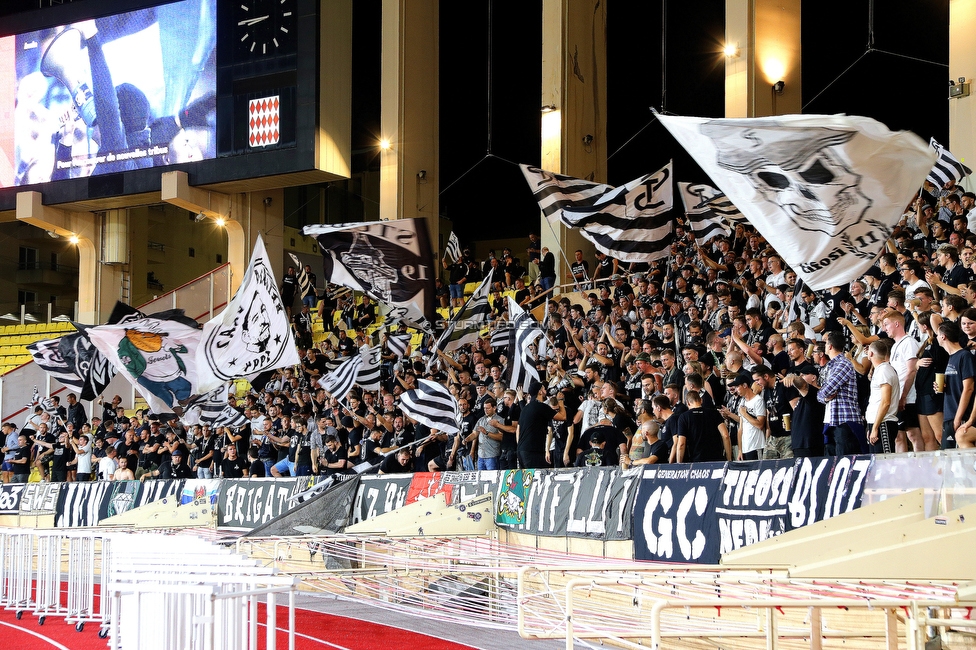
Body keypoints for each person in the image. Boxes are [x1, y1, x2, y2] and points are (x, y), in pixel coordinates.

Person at [818, 331, 866, 456]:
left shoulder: (843, 363)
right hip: (832, 419)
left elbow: (826, 389)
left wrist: (823, 395)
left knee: (845, 461)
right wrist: (825, 398)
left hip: (845, 420)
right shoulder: (830, 366)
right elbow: (821, 394)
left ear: (829, 346)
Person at [937, 321, 976, 449]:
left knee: (959, 460)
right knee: (948, 461)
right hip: (949, 413)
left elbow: (968, 388)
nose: (936, 337)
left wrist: (958, 418)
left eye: (938, 334)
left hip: (960, 415)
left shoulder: (965, 356)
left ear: (943, 336)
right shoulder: (951, 357)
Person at [517, 381, 567, 469]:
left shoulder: (525, 409)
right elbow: (563, 417)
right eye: (544, 388)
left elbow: (518, 429)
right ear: (540, 392)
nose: (545, 390)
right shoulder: (541, 407)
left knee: (525, 480)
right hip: (533, 451)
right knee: (535, 478)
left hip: (521, 450)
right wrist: (560, 401)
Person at [672, 390, 731, 463]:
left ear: (688, 403)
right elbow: (725, 435)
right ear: (701, 400)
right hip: (716, 460)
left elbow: (681, 443)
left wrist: (679, 464)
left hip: (696, 461)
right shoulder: (714, 413)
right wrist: (729, 459)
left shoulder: (684, 417)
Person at [865, 340, 901, 454]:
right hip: (877, 422)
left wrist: (875, 427)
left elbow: (885, 402)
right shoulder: (880, 370)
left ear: (871, 354)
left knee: (885, 462)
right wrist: (870, 426)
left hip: (883, 423)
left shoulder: (884, 371)